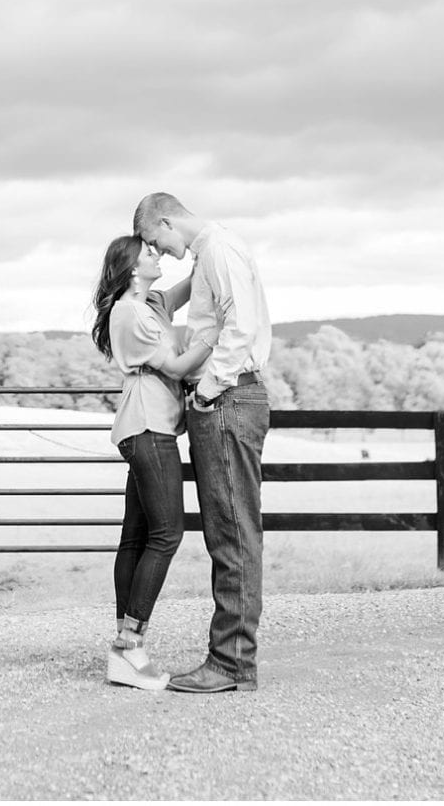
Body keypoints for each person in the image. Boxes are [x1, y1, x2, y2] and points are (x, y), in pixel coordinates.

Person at [133, 191, 272, 693]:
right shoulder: (214, 248)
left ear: (167, 222)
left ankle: (231, 663)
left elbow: (240, 326)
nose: (161, 253)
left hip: (227, 398)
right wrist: (171, 299)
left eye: (155, 240)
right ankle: (231, 658)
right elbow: (213, 304)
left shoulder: (217, 249)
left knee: (232, 532)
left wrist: (208, 391)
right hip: (228, 399)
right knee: (228, 530)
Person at [90, 233, 213, 691]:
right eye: (149, 252)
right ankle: (129, 646)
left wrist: (206, 250)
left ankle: (125, 648)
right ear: (129, 266)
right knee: (167, 534)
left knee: (137, 538)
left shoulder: (153, 304)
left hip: (147, 426)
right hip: (148, 428)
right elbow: (179, 368)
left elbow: (194, 284)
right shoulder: (130, 313)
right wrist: (216, 334)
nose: (157, 254)